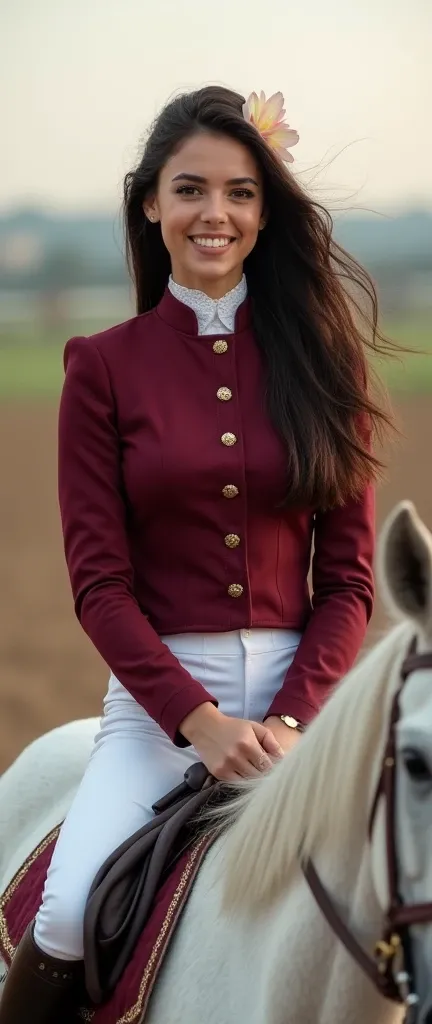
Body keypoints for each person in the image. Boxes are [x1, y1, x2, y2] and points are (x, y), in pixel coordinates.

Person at [0, 85, 393, 1022]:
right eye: (190, 190)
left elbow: (347, 583)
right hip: (158, 709)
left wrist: (294, 722)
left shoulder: (326, 366)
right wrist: (201, 724)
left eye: (241, 193)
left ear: (265, 211)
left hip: (311, 713)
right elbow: (99, 586)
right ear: (151, 204)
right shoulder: (101, 366)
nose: (215, 214)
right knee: (62, 914)